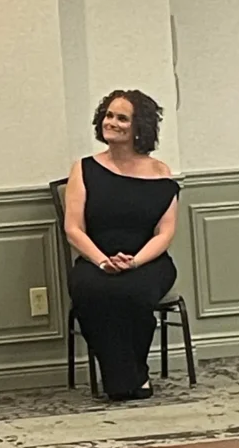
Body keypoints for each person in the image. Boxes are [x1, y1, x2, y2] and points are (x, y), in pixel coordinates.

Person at [64, 89, 179, 401]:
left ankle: (129, 376)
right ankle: (127, 379)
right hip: (95, 260)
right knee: (91, 291)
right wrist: (103, 261)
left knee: (134, 292)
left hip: (148, 262)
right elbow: (73, 228)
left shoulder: (160, 172)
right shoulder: (83, 168)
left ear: (139, 127)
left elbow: (165, 233)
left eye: (122, 118)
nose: (111, 122)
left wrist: (134, 262)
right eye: (109, 115)